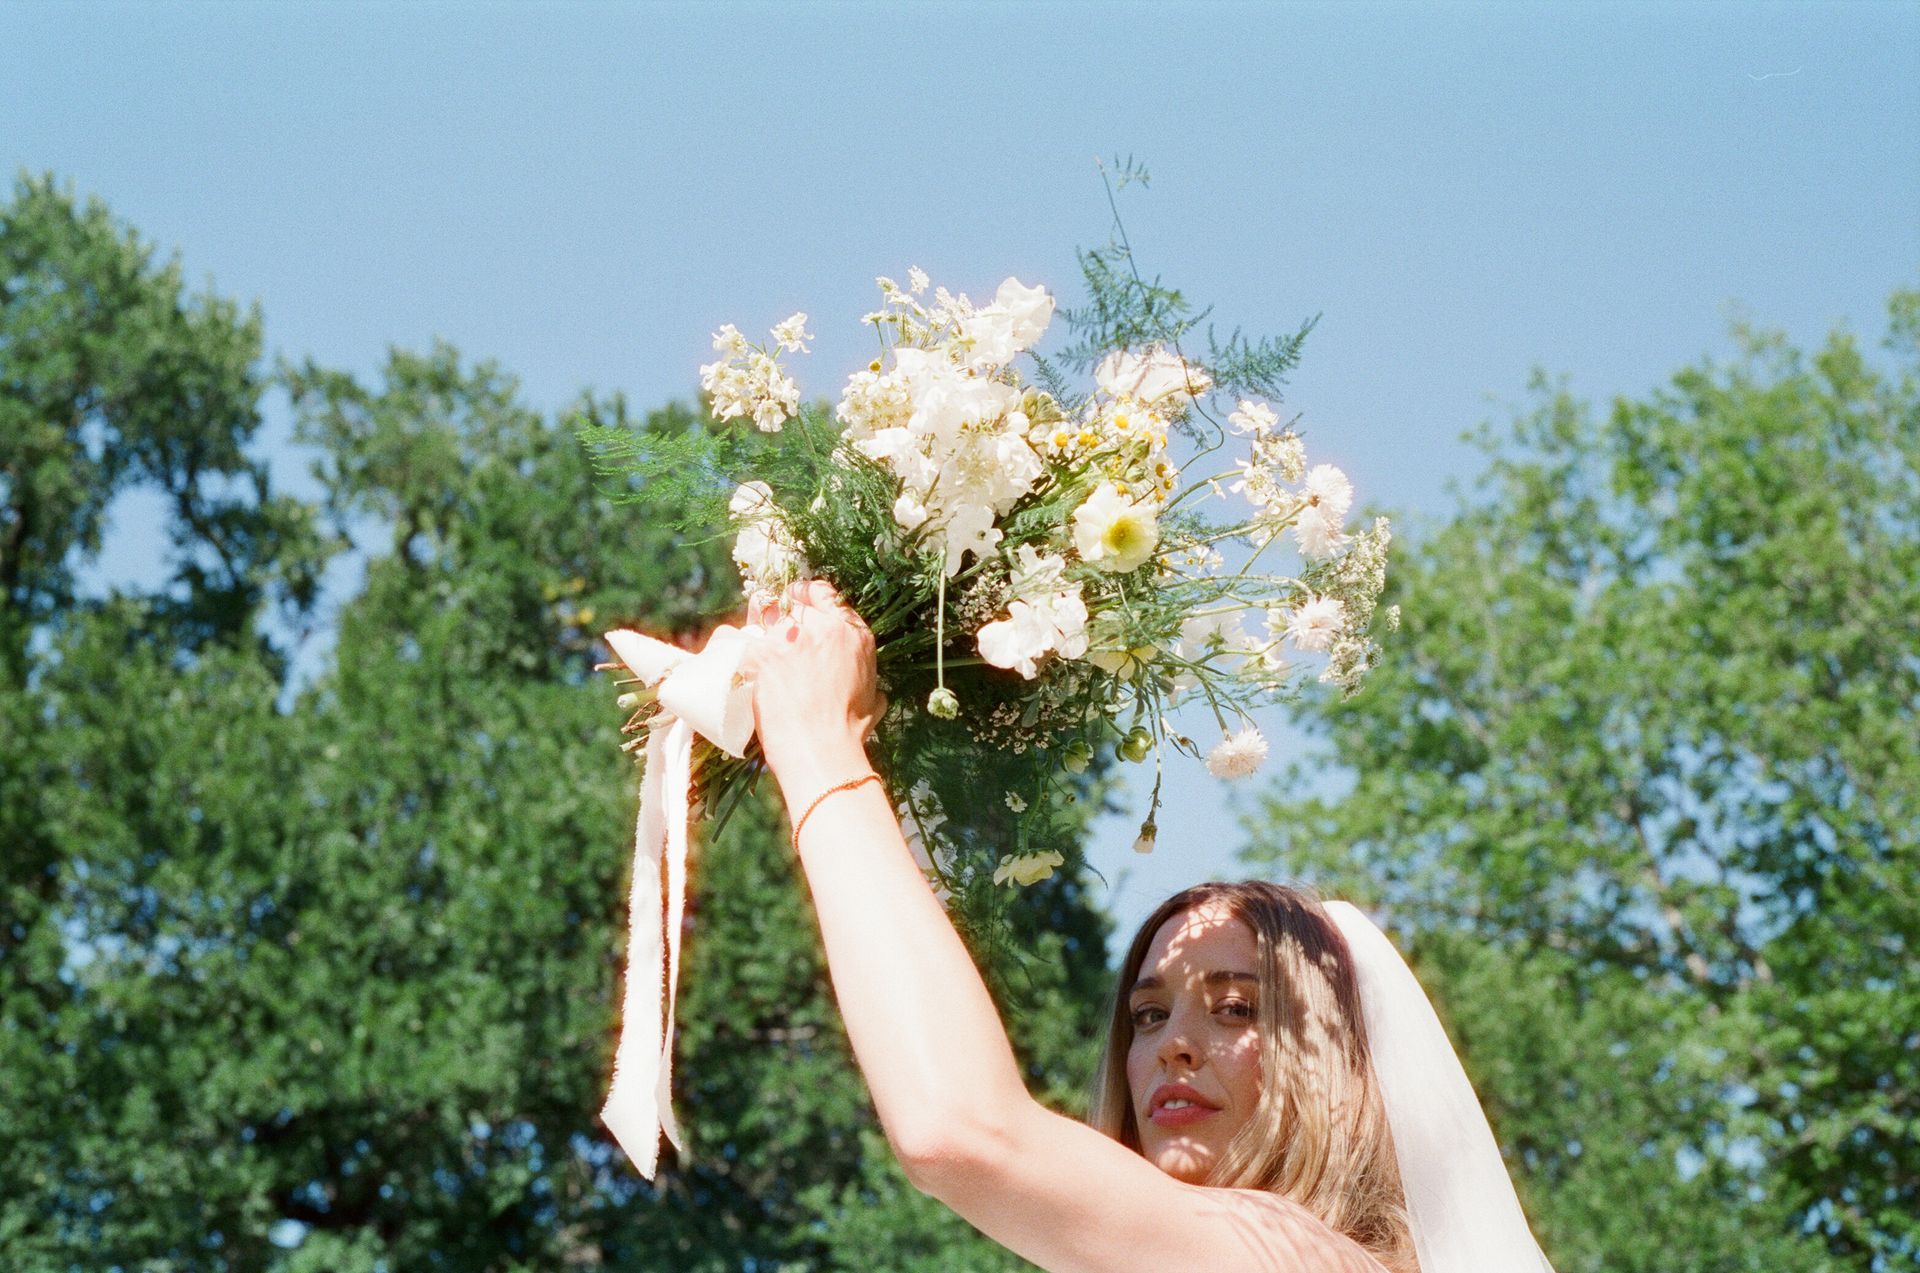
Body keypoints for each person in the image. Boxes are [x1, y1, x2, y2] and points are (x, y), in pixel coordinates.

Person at [742, 579, 1551, 1272]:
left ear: (1339, 1066)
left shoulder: (1298, 1257)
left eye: (1235, 1006)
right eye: (1147, 1013)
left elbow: (957, 1128)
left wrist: (816, 741)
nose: (1172, 1045)